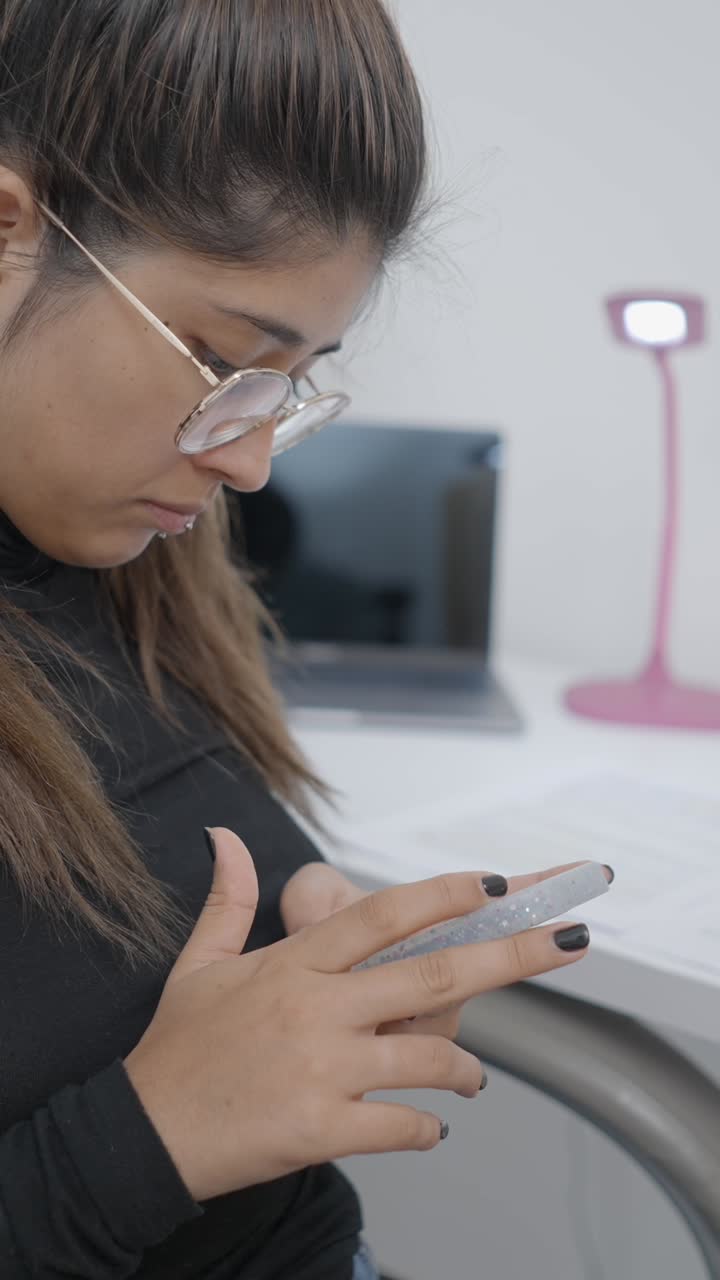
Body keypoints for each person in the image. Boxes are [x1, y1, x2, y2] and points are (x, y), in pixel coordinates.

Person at [0, 3, 595, 1277]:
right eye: (220, 359)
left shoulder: (126, 555)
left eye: (291, 380)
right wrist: (153, 1132)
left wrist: (311, 926)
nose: (254, 461)